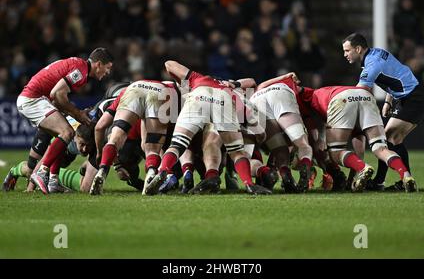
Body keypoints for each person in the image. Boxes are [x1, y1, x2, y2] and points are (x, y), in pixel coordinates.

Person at [144, 60, 271, 195]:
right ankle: (249, 184)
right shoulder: (231, 90)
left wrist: (183, 80)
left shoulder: (198, 78)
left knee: (177, 144)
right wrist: (259, 133)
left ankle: (163, 170)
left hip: (199, 94)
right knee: (236, 152)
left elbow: (169, 64)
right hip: (224, 99)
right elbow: (250, 109)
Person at [17, 48, 113, 194]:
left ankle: (53, 180)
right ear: (98, 64)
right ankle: (41, 173)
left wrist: (76, 114)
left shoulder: (78, 66)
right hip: (33, 100)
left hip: (36, 99)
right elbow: (57, 94)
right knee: (67, 132)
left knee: (63, 136)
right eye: (108, 68)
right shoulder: (80, 71)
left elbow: (56, 100)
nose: (108, 72)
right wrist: (77, 113)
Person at [299, 84, 417, 192]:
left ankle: (363, 168)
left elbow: (316, 140)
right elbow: (359, 148)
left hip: (341, 99)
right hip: (365, 96)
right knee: (380, 148)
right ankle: (406, 176)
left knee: (335, 151)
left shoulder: (307, 99)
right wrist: (351, 180)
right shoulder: (322, 93)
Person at [342, 33, 423, 190]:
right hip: (407, 94)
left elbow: (359, 93)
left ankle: (381, 181)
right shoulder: (377, 52)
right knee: (393, 139)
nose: (345, 55)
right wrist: (388, 101)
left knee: (387, 139)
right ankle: (401, 181)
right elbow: (394, 73)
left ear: (358, 49)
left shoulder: (372, 65)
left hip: (413, 98)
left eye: (347, 50)